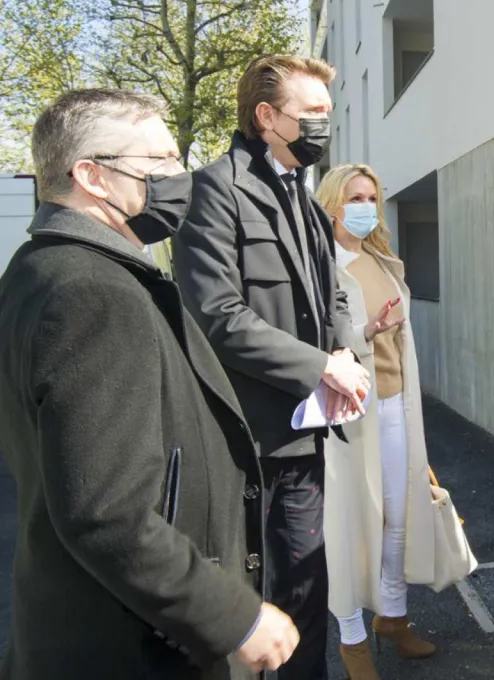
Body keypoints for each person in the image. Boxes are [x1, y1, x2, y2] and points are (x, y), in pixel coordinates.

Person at [0, 89, 299, 679]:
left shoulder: (39, 270)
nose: (178, 175)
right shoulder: (93, 291)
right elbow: (106, 512)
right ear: (92, 175)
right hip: (134, 649)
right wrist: (232, 617)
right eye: (158, 162)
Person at [172, 56, 371, 680]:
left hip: (302, 437)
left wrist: (343, 355)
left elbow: (334, 294)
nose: (324, 125)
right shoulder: (213, 190)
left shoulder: (305, 199)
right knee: (248, 606)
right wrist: (320, 368)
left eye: (328, 115)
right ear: (266, 116)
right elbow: (218, 315)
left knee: (307, 589)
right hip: (244, 444)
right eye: (312, 113)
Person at [315, 164, 438, 680]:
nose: (365, 207)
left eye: (371, 197)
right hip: (347, 412)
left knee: (397, 520)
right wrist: (368, 330)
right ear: (331, 205)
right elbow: (322, 342)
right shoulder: (318, 264)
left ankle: (393, 617)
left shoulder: (384, 260)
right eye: (354, 197)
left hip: (396, 406)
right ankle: (352, 642)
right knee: (349, 526)